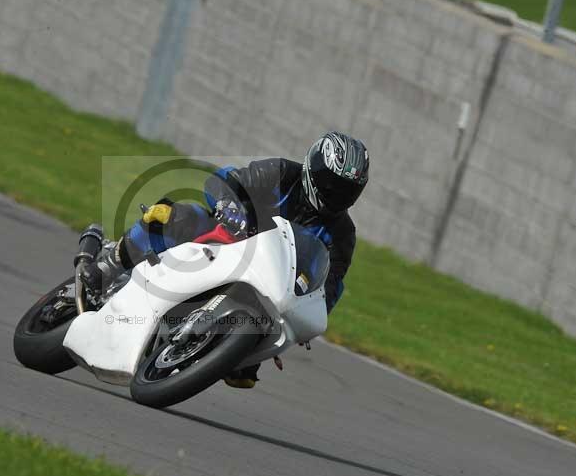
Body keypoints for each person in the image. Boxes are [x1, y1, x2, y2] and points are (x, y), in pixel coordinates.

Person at [81, 132, 370, 388]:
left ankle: (207, 346)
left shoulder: (343, 234)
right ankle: (109, 265)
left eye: (347, 190)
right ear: (314, 169)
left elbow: (330, 286)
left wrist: (310, 313)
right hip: (228, 241)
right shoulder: (282, 173)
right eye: (332, 183)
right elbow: (226, 180)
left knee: (242, 375)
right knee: (170, 216)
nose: (337, 194)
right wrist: (227, 204)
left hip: (269, 286)